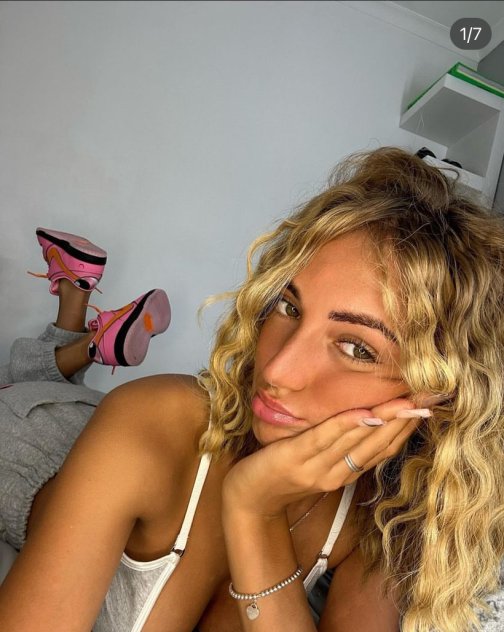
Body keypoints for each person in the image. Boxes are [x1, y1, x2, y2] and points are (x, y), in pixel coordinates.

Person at [0, 147, 503, 632]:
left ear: (435, 392)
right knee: (28, 382)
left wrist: (255, 509)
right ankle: (79, 324)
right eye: (288, 307)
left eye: (356, 348)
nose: (278, 371)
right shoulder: (150, 417)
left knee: (55, 381)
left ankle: (82, 317)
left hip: (104, 437)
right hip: (31, 440)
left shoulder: (384, 514)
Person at [0, 227, 170, 577]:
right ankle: (81, 300)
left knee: (18, 381)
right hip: (85, 422)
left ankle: (88, 324)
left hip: (60, 441)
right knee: (22, 380)